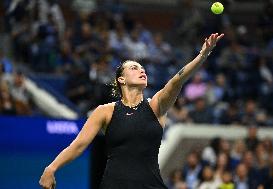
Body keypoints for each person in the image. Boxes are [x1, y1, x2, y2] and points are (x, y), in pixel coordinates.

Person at [39, 33, 224, 189]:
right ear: (121, 79)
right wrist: (52, 168)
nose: (142, 70)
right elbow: (78, 145)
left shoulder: (156, 105)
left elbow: (177, 80)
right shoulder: (105, 111)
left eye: (143, 68)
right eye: (134, 68)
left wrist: (202, 55)